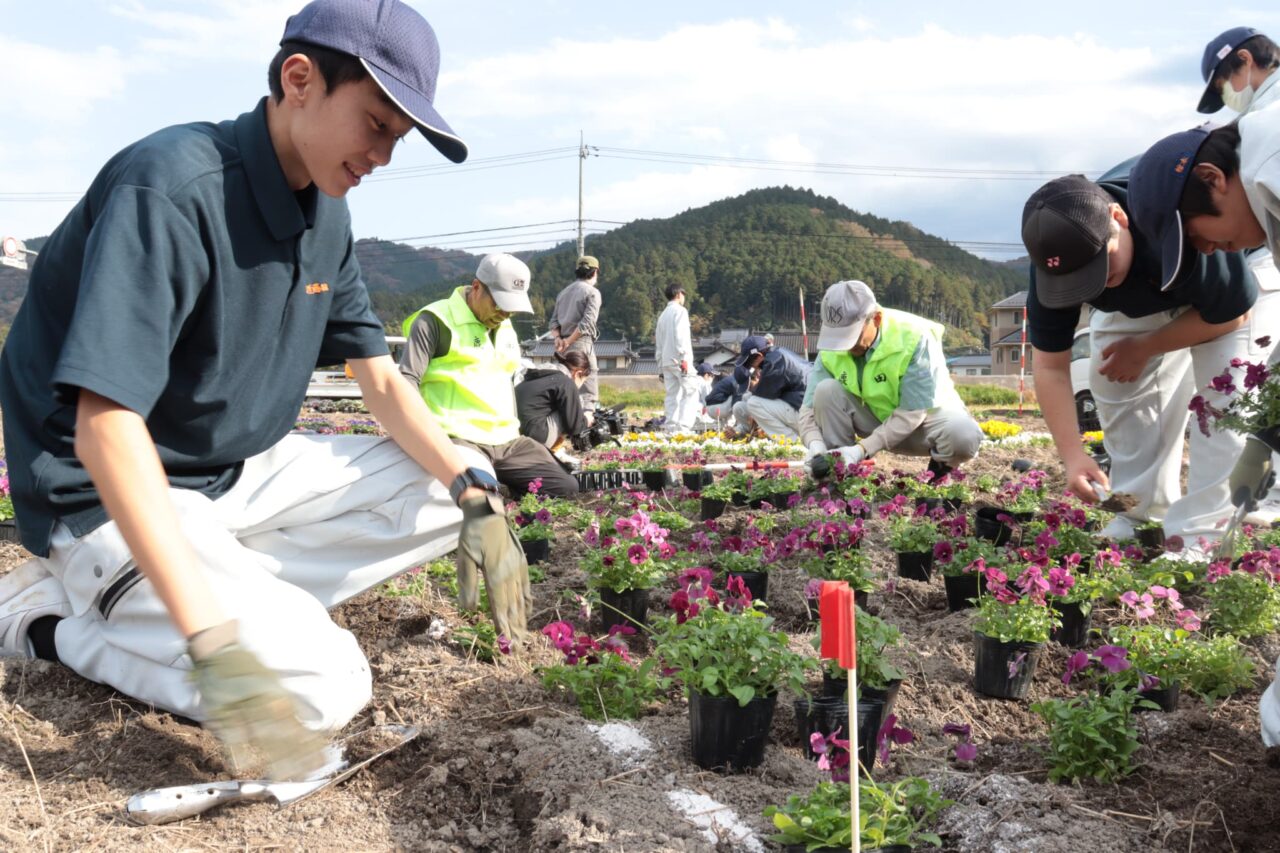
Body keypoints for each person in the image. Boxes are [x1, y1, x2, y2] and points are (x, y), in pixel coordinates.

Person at [0, 0, 527, 783]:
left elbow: (378, 377)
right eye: (376, 125)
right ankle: (49, 623)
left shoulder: (327, 213)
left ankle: (185, 589)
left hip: (230, 476)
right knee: (325, 686)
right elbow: (104, 427)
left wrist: (471, 486)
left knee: (453, 483)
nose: (383, 154)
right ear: (300, 78)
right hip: (107, 492)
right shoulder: (173, 190)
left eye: (397, 139)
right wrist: (210, 636)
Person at [1026, 160, 1273, 546]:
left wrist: (1147, 347)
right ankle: (1140, 514)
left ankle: (1205, 536)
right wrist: (1073, 456)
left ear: (1118, 217)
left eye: (1099, 265)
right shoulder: (1059, 256)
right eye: (1075, 281)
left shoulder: (1177, 215)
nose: (1091, 286)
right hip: (1150, 281)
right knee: (1114, 377)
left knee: (1225, 394)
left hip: (1239, 262)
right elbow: (1050, 366)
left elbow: (1232, 314)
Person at [400, 253, 579, 498]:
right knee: (474, 498)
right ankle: (495, 488)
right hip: (457, 438)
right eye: (500, 304)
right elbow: (407, 380)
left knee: (565, 488)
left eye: (511, 309)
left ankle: (503, 487)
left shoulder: (504, 327)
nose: (504, 314)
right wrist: (423, 438)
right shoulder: (435, 321)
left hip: (506, 440)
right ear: (476, 287)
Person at [1196, 27, 1280, 525]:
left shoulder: (1266, 132)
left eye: (1224, 86)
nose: (1215, 249)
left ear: (1245, 62)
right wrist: (1264, 438)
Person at [799, 281, 983, 479]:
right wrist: (815, 445)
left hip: (923, 423)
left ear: (876, 319)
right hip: (875, 419)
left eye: (851, 335)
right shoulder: (832, 348)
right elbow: (807, 409)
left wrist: (861, 450)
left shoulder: (915, 337)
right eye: (838, 336)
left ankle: (938, 475)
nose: (844, 345)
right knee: (826, 390)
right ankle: (838, 473)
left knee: (963, 435)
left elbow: (912, 413)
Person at [550, 255, 603, 417]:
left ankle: (563, 417)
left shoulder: (563, 293)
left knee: (564, 381)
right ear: (595, 272)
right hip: (580, 343)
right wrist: (569, 341)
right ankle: (586, 417)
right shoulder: (593, 293)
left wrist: (559, 339)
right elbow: (586, 323)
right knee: (587, 378)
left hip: (561, 348)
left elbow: (553, 321)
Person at [733, 334, 810, 440]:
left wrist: (755, 414)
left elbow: (762, 395)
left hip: (807, 416)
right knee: (749, 401)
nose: (750, 367)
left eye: (748, 363)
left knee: (754, 403)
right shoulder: (778, 353)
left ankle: (792, 441)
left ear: (759, 356)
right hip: (806, 409)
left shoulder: (774, 363)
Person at [516, 349, 592, 450]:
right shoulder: (566, 382)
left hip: (516, 433)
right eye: (583, 381)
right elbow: (575, 427)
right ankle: (553, 452)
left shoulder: (538, 374)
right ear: (577, 374)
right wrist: (586, 420)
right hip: (536, 438)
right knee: (573, 408)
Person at [654, 283, 700, 431]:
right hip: (679, 360)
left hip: (666, 361)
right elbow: (681, 337)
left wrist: (660, 365)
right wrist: (684, 359)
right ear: (679, 294)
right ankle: (684, 427)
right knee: (691, 391)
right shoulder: (680, 311)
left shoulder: (662, 315)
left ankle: (671, 426)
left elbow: (659, 343)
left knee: (672, 395)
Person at [705, 364, 744, 429]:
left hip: (711, 409)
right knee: (741, 397)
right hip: (718, 408)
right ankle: (733, 427)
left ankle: (726, 428)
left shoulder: (729, 379)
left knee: (735, 398)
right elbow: (736, 404)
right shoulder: (736, 381)